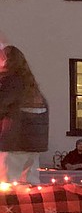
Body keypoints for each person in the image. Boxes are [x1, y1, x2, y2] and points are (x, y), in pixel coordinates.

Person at [0, 45, 49, 184]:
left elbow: (2, 106)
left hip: (14, 143)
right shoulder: (30, 84)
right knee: (30, 185)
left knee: (7, 184)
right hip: (34, 145)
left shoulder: (10, 82)